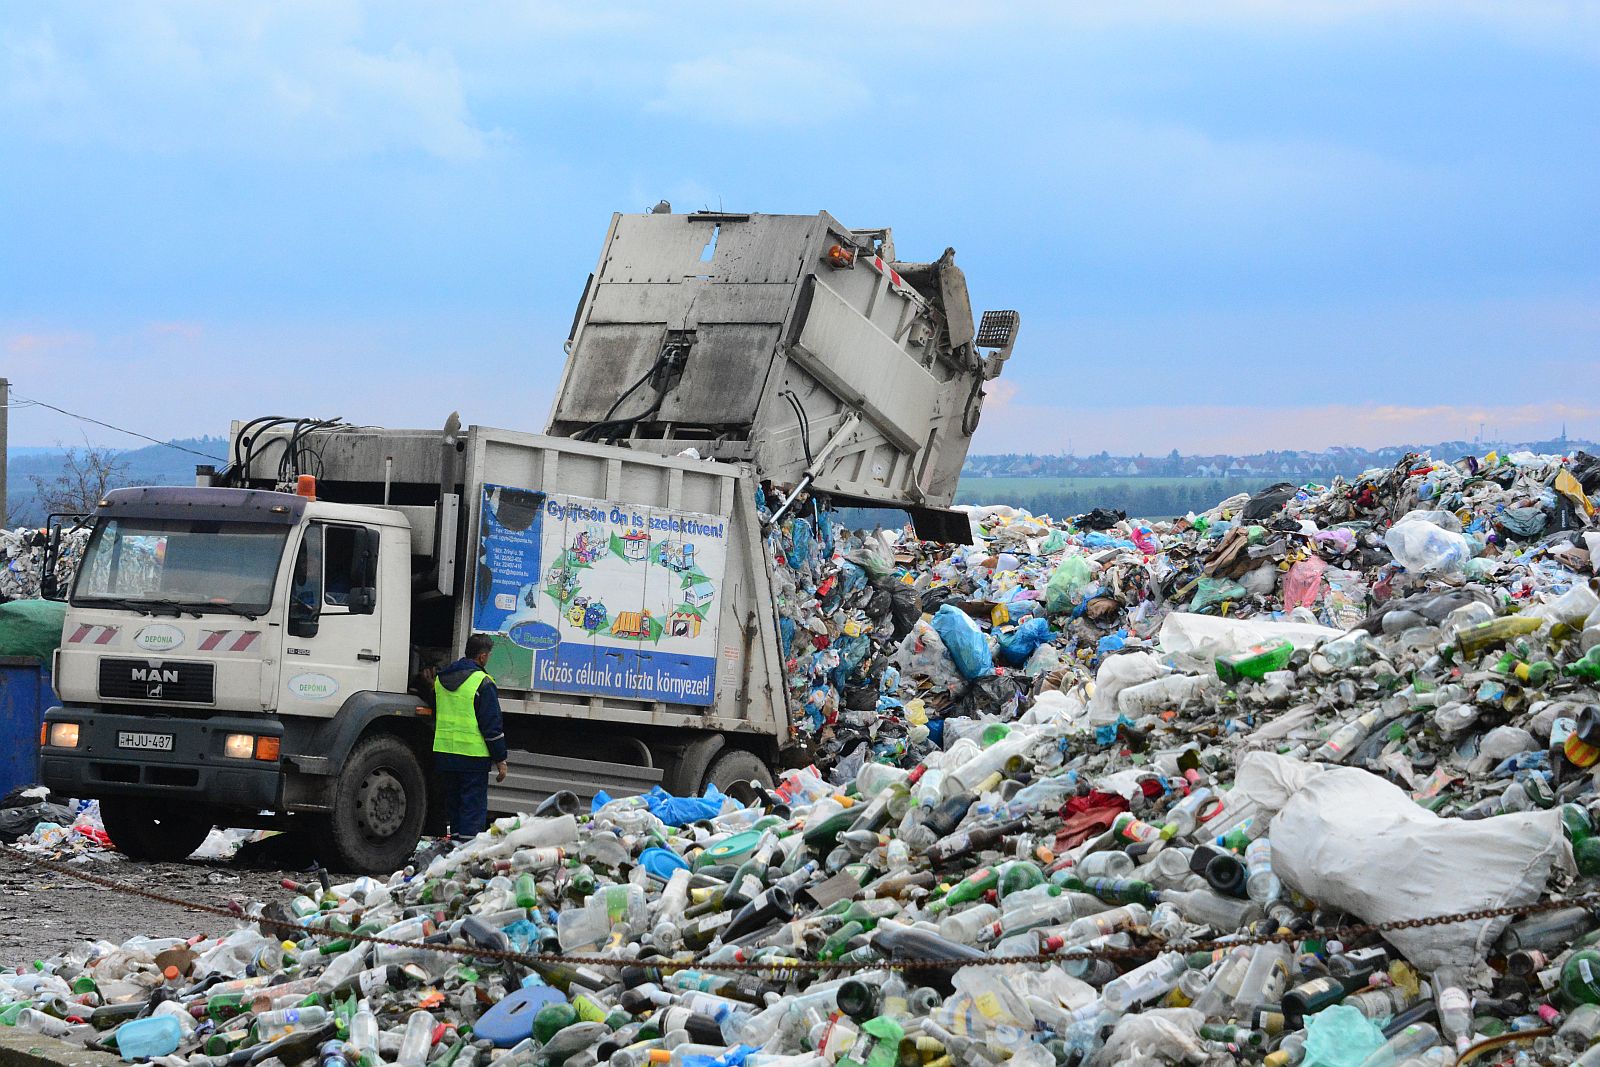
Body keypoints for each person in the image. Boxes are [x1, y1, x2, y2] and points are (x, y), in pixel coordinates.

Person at [432, 635, 509, 838]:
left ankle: (455, 849)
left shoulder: (440, 680)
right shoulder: (482, 682)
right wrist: (500, 759)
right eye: (489, 656)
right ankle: (467, 854)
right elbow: (491, 726)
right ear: (482, 657)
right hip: (472, 757)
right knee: (472, 810)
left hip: (445, 754)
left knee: (454, 807)